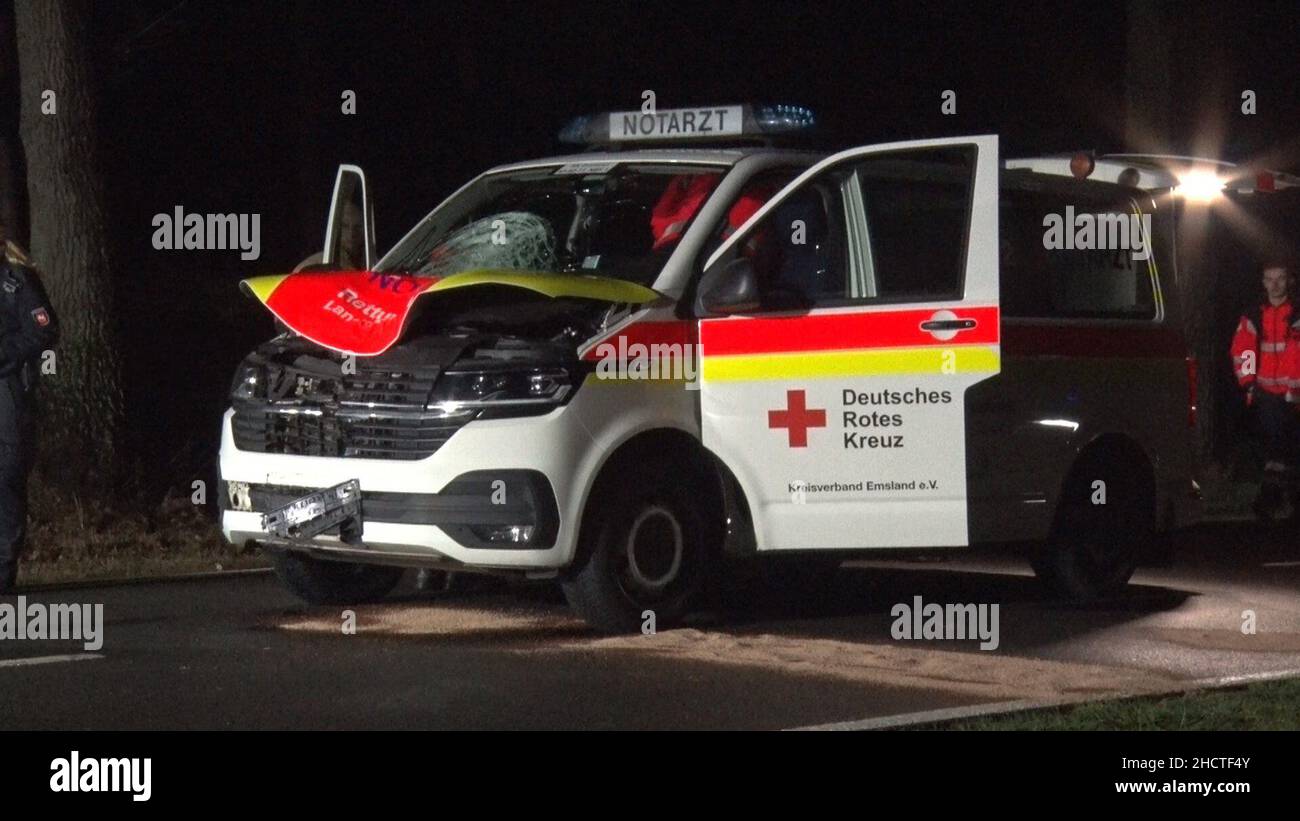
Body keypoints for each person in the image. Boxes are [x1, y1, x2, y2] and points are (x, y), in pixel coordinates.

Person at [0, 216, 59, 593]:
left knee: (5, 480)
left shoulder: (15, 280)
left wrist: (4, 356)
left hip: (6, 393)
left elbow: (44, 328)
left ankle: (2, 574)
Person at [1231, 260, 1300, 519]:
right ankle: (1274, 499)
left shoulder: (1297, 313)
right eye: (1269, 279)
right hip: (1267, 394)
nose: (1275, 284)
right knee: (1275, 446)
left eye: (1280, 278)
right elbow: (1243, 350)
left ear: (1289, 281)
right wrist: (1249, 383)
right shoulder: (1254, 315)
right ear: (1262, 282)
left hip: (1296, 395)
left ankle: (1276, 498)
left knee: (1286, 448)